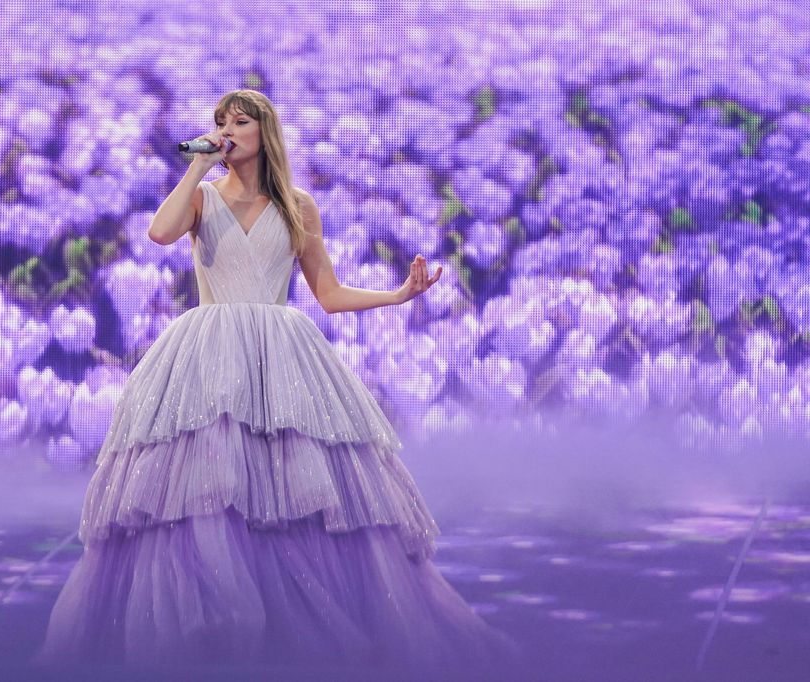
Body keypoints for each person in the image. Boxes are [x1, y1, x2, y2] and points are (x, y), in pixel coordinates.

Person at [37, 89, 521, 678]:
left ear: (265, 131)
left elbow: (330, 294)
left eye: (239, 122)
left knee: (294, 488)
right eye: (221, 123)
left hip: (281, 356)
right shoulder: (203, 198)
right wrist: (199, 163)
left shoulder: (298, 206)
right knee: (208, 487)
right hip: (209, 355)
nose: (228, 130)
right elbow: (161, 233)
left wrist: (399, 294)